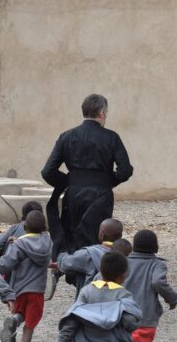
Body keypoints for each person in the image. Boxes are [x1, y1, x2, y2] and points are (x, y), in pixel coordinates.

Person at [41, 94, 133, 259]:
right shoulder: (111, 137)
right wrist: (107, 181)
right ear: (102, 114)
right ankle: (93, 278)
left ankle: (74, 275)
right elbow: (125, 170)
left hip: (74, 195)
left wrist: (68, 182)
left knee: (73, 238)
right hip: (101, 195)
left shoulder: (66, 137)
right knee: (97, 239)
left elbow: (48, 171)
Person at [122, 229, 177, 342]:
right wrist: (172, 298)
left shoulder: (124, 263)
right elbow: (157, 282)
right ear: (156, 247)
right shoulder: (157, 265)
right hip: (147, 317)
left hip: (124, 317)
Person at [0, 211, 53, 342]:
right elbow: (43, 251)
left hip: (19, 290)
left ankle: (14, 321)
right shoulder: (48, 242)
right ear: (45, 227)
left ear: (24, 227)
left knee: (21, 313)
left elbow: (6, 264)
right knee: (30, 326)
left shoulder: (19, 244)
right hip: (37, 291)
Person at [55, 218, 123, 297]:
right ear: (120, 236)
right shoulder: (124, 256)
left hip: (89, 302)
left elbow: (65, 263)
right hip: (114, 303)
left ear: (101, 234)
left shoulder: (88, 254)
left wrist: (61, 256)